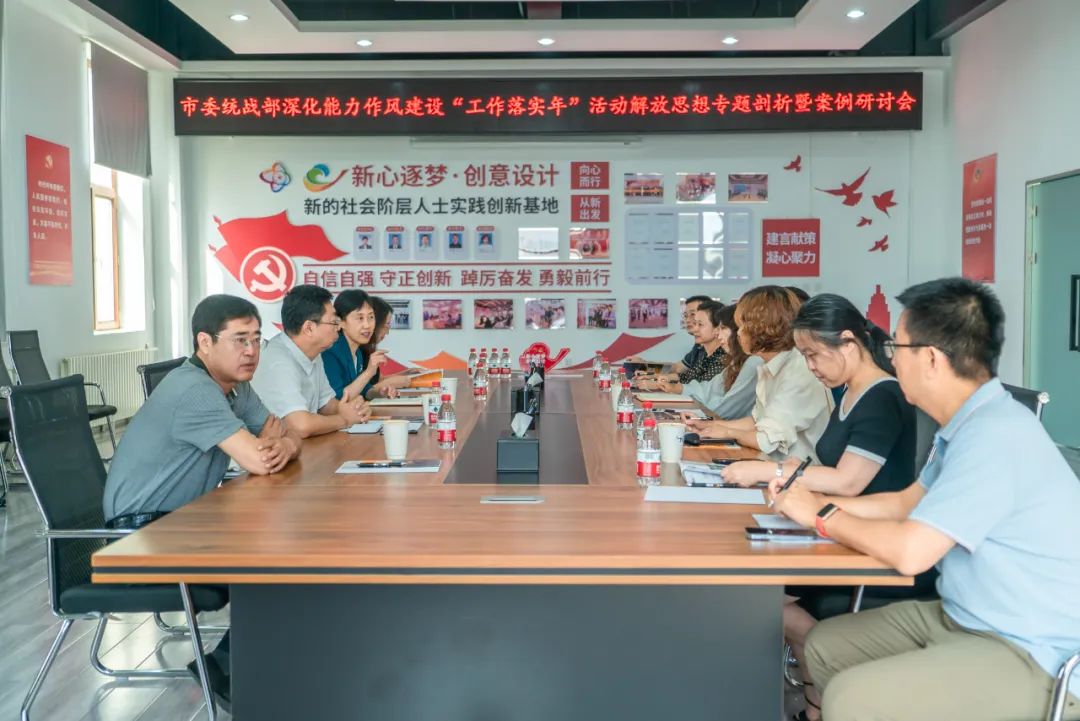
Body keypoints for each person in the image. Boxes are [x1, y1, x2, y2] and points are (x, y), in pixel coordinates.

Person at [773, 278, 1080, 721]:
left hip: (1032, 649)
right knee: (824, 646)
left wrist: (821, 514)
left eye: (897, 347)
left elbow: (912, 552)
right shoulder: (964, 423)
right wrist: (799, 501)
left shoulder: (995, 435)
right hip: (962, 616)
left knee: (854, 697)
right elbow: (905, 503)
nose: (890, 357)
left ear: (931, 359)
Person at [719, 293, 924, 718]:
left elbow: (849, 480)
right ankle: (817, 697)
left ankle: (823, 692)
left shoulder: (882, 396)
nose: (810, 366)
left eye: (813, 354)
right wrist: (793, 471)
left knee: (756, 600)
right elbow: (830, 466)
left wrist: (768, 471)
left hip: (864, 542)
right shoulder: (850, 391)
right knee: (753, 593)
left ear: (848, 343)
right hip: (836, 531)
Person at [102, 294, 304, 711]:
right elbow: (260, 459)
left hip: (182, 523)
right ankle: (229, 669)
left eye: (257, 339)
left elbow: (287, 433)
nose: (251, 351)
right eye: (239, 339)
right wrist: (275, 445)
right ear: (205, 343)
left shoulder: (234, 387)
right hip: (140, 538)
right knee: (285, 556)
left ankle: (233, 664)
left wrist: (282, 443)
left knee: (291, 549)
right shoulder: (195, 390)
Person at [685, 286, 832, 461]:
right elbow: (756, 421)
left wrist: (727, 432)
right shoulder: (769, 365)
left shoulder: (799, 370)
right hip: (769, 464)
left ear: (763, 327)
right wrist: (709, 425)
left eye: (742, 326)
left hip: (794, 472)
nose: (738, 333)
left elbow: (765, 439)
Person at [252, 285, 371, 437]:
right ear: (309, 328)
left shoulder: (314, 352)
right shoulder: (278, 361)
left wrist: (353, 410)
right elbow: (301, 426)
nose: (338, 328)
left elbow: (325, 404)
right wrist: (345, 420)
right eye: (333, 322)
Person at [673, 303, 762, 420]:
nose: (718, 335)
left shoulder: (753, 362)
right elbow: (709, 388)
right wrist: (677, 388)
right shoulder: (735, 360)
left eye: (723, 328)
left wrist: (698, 414)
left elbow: (727, 408)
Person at [322, 289, 400, 402]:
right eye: (360, 318)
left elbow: (363, 390)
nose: (367, 325)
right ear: (341, 322)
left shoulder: (357, 351)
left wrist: (379, 392)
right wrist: (369, 372)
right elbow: (339, 398)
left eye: (371, 317)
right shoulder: (330, 351)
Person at [639, 300, 727, 390]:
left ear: (718, 328)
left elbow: (699, 385)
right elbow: (684, 374)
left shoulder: (723, 356)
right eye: (686, 316)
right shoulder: (701, 349)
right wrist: (647, 368)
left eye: (700, 324)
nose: (694, 328)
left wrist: (655, 378)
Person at [627, 294, 712, 374]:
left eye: (693, 314)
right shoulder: (698, 346)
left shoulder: (715, 349)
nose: (687, 320)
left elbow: (699, 381)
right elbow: (677, 368)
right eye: (686, 315)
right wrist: (644, 366)